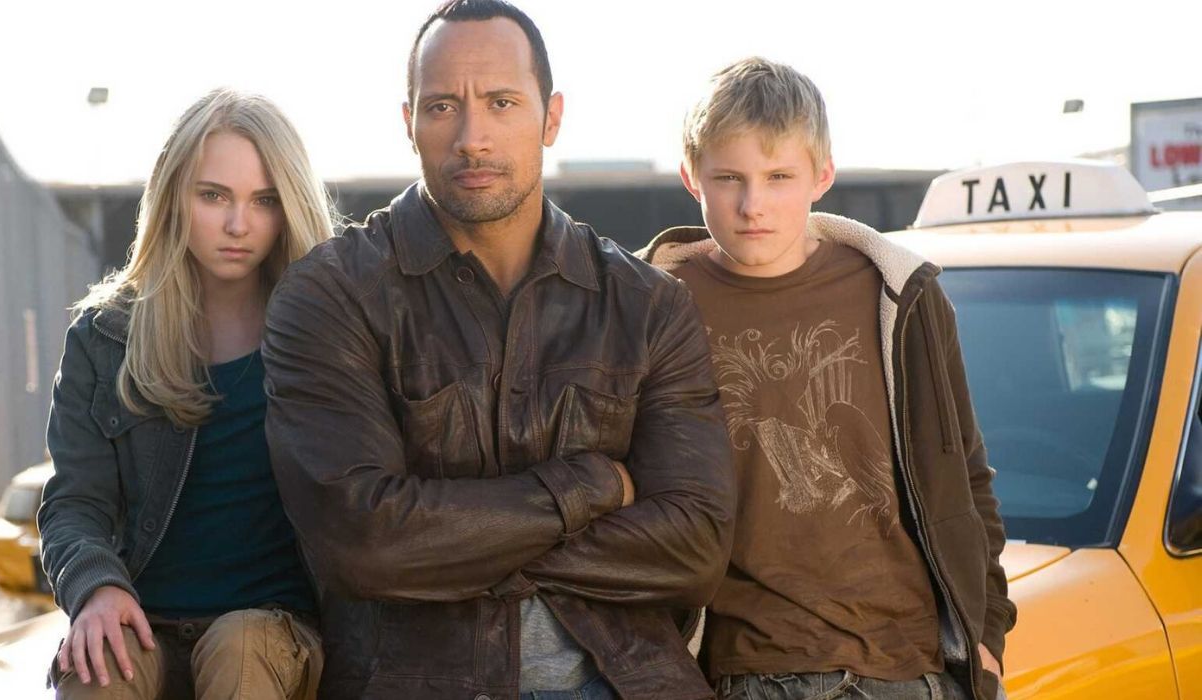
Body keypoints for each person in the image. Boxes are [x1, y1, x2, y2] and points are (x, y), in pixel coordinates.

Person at [261, 1, 736, 698]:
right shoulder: (332, 296)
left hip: (626, 681)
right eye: (444, 106)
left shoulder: (646, 305)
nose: (473, 137)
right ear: (409, 122)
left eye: (502, 102)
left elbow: (695, 546)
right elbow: (364, 542)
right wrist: (593, 487)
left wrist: (452, 542)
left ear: (552, 117)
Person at [638, 57, 1016, 700]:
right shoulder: (653, 304)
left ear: (823, 174)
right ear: (689, 176)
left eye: (779, 176)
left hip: (909, 668)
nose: (753, 204)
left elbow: (965, 471)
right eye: (728, 178)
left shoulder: (901, 295)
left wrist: (990, 632)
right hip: (746, 672)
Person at [39, 88, 335, 699]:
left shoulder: (330, 334)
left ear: (290, 207)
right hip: (146, 621)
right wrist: (96, 587)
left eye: (264, 201)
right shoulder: (105, 337)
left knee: (241, 649)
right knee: (98, 670)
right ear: (175, 195)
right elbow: (74, 503)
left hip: (273, 632)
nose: (238, 224)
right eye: (213, 196)